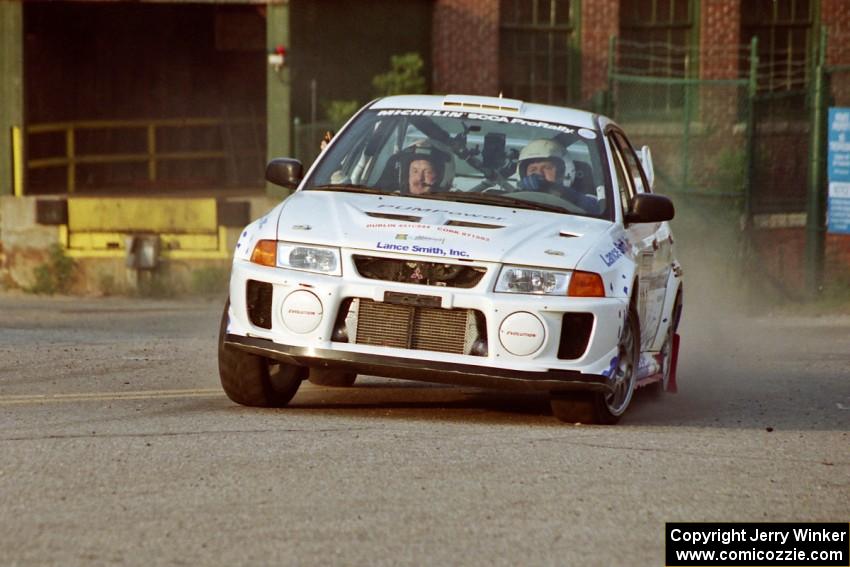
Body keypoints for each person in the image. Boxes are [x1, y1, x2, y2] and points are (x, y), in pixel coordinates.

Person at [516, 139, 600, 212]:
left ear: (562, 172)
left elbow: (597, 209)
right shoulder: (511, 200)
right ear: (523, 174)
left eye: (547, 168)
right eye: (533, 169)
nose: (539, 174)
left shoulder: (582, 201)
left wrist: (559, 192)